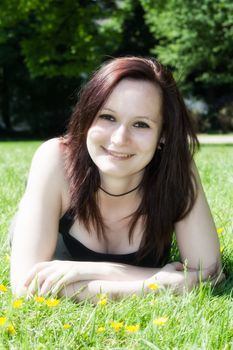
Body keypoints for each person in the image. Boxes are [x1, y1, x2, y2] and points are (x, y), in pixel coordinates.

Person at [10, 56, 223, 301]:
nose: (120, 139)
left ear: (163, 135)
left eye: (141, 124)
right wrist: (157, 284)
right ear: (88, 117)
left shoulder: (176, 167)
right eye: (108, 117)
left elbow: (209, 275)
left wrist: (101, 270)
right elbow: (26, 286)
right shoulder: (55, 159)